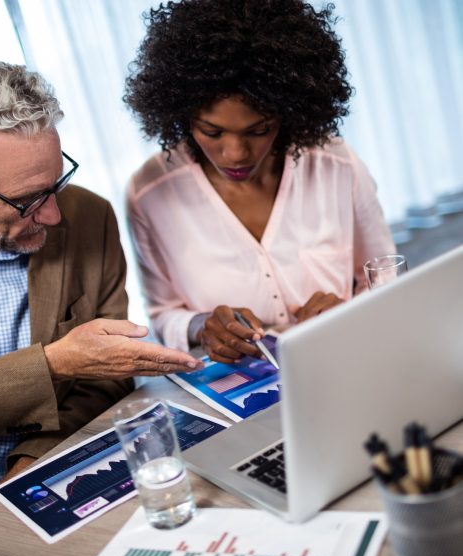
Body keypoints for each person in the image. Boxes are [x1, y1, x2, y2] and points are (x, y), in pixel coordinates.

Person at [0, 57, 201, 553]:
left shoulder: (91, 216)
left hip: (53, 474)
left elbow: (106, 377)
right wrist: (52, 365)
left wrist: (32, 460)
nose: (56, 214)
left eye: (57, 183)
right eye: (27, 200)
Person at [125, 0, 395, 363]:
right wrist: (202, 325)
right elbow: (162, 315)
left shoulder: (336, 165)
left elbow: (386, 279)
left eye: (258, 129)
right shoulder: (149, 194)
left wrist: (350, 313)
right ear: (180, 114)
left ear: (288, 112)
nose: (235, 153)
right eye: (212, 131)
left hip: (346, 362)